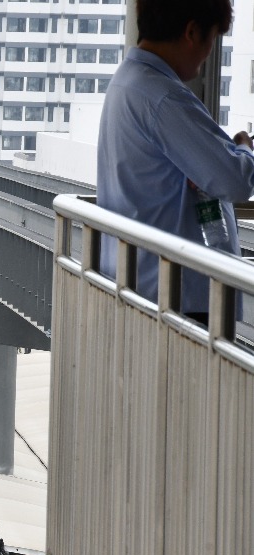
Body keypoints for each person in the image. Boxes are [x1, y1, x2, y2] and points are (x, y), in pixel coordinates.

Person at [98, 0, 254, 322]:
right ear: (192, 32)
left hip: (145, 281)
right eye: (212, 39)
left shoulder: (128, 82)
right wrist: (243, 149)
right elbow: (234, 181)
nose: (209, 52)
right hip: (177, 294)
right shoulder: (163, 97)